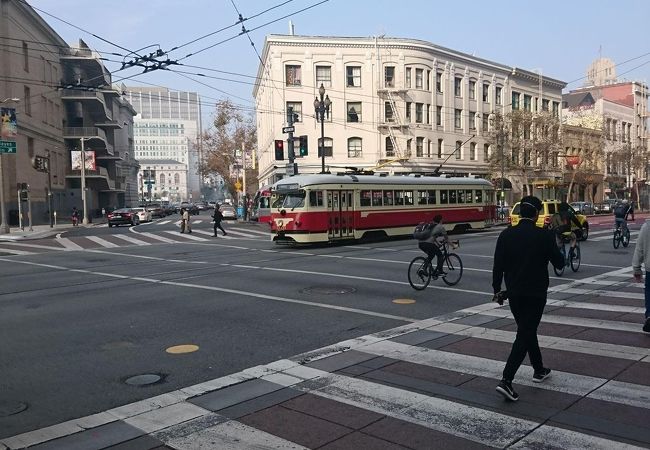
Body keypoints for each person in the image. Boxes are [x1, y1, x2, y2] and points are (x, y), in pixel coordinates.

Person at [492, 195, 564, 401]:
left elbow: (498, 266)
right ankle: (506, 380)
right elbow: (560, 263)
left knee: (526, 329)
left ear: (521, 212)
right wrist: (556, 240)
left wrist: (497, 289)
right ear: (537, 213)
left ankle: (539, 369)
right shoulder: (544, 236)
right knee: (525, 333)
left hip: (514, 292)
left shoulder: (506, 235)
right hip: (535, 292)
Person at [632, 219, 650, 333]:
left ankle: (649, 315)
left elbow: (639, 249)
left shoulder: (646, 227)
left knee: (649, 292)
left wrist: (637, 269)